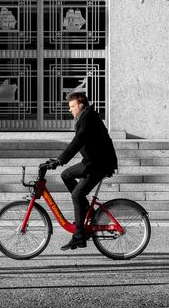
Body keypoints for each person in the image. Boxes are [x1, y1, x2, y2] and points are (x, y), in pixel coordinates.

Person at [46, 91, 118, 250]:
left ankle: (79, 235)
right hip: (91, 161)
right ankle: (86, 211)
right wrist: (60, 161)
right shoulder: (85, 117)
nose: (70, 109)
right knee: (66, 175)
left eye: (72, 106)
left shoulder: (88, 118)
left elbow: (77, 141)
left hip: (100, 163)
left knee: (77, 194)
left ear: (81, 105)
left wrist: (60, 160)